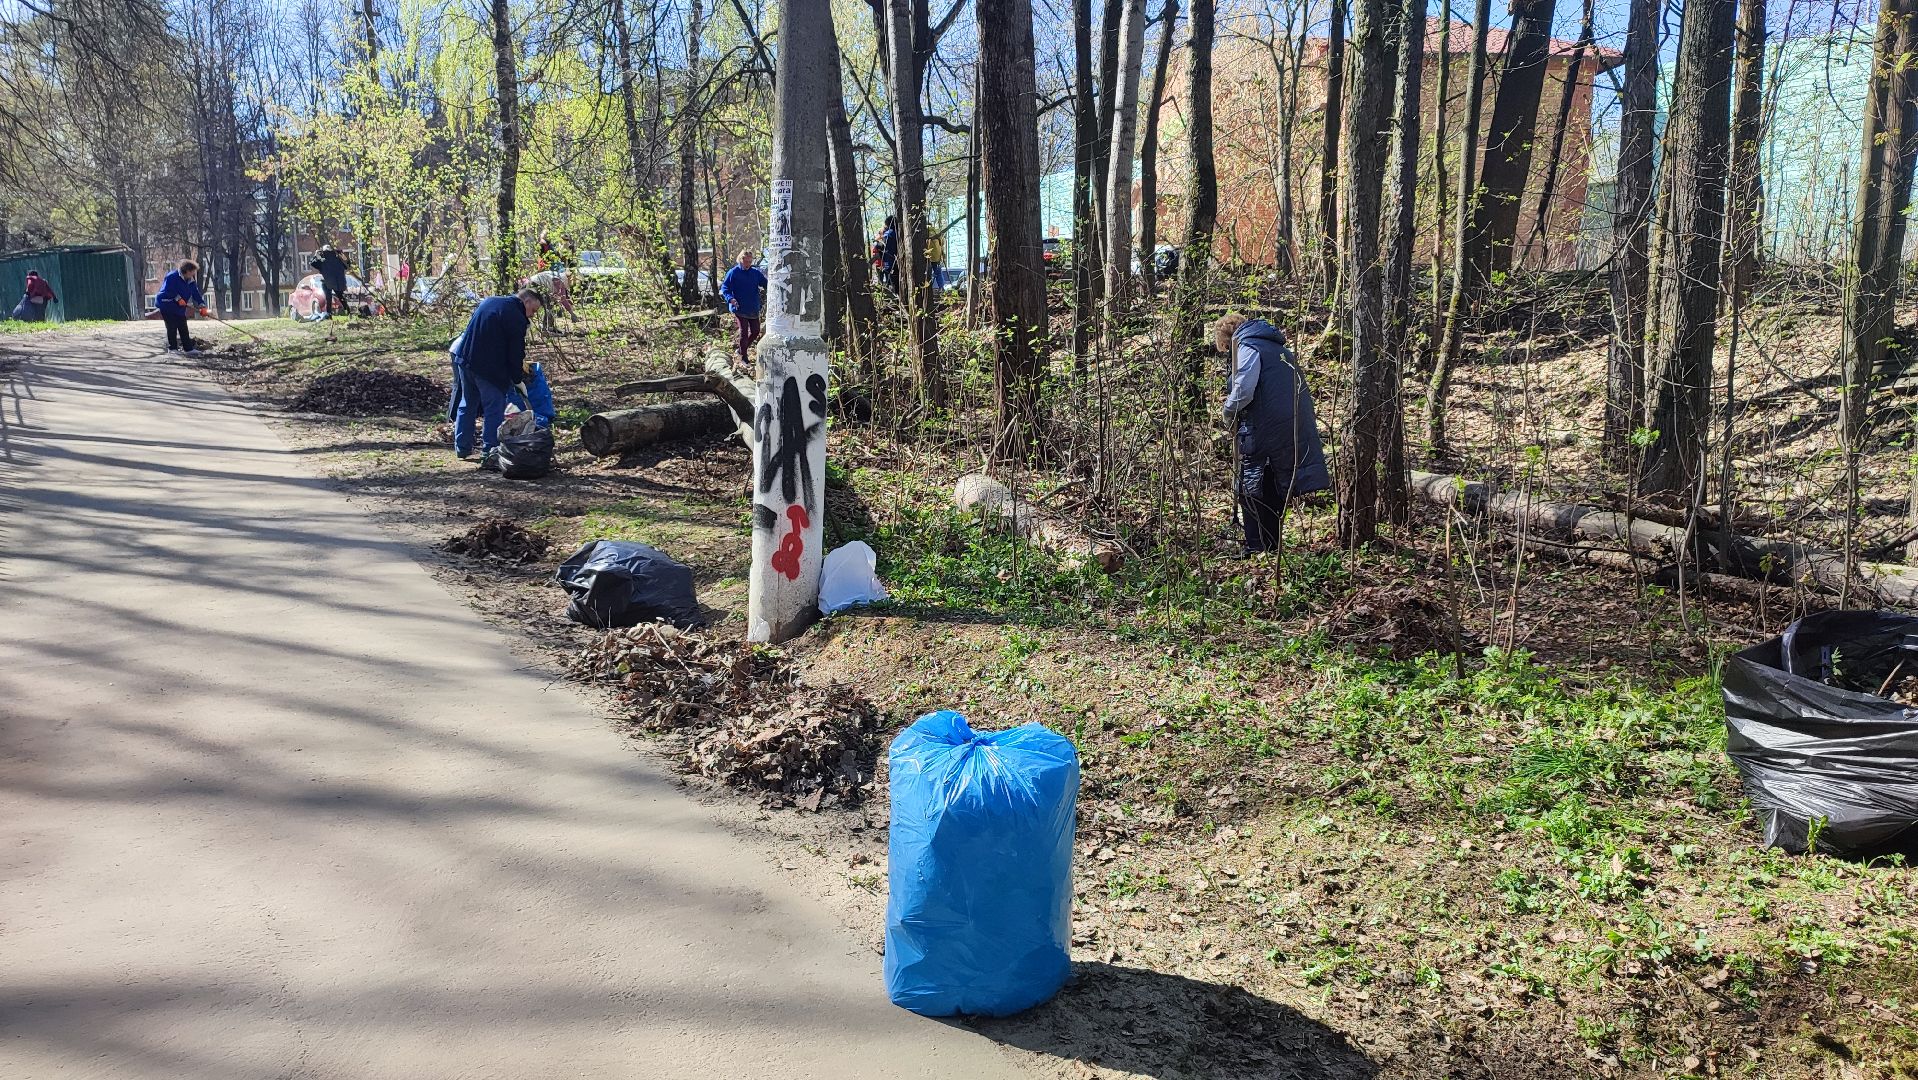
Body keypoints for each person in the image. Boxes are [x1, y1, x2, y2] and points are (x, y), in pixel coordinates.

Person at [1215, 312, 1329, 554]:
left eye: (1225, 348)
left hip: (1265, 428)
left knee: (1250, 486)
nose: (1227, 353)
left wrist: (1228, 412)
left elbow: (1244, 389)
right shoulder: (1279, 350)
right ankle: (1271, 547)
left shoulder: (1248, 347)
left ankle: (1257, 548)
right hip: (1292, 426)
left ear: (1228, 339)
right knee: (1272, 484)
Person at [449, 288, 542, 469]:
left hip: (465, 360)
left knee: (467, 403)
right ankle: (490, 452)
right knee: (494, 408)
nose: (531, 315)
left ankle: (462, 447)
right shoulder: (516, 317)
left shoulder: (490, 301)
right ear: (527, 302)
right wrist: (517, 379)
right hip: (488, 369)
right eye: (533, 311)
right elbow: (515, 353)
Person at [719, 249, 767, 368]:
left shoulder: (755, 273)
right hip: (739, 307)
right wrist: (731, 298)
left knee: (756, 331)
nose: (748, 264)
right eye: (746, 261)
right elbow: (725, 288)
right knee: (744, 333)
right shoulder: (733, 272)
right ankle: (744, 357)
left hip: (753, 307)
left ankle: (741, 349)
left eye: (750, 262)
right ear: (741, 260)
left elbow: (766, 283)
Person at [155, 261, 209, 354]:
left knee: (183, 325)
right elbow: (168, 290)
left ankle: (188, 349)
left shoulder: (190, 280)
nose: (194, 274)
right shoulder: (172, 276)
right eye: (193, 272)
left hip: (179, 306)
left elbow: (195, 293)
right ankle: (172, 349)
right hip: (166, 304)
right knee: (172, 326)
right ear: (187, 271)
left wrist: (202, 305)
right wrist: (178, 298)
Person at [311, 246, 351, 317]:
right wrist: (344, 257)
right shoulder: (337, 258)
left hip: (328, 281)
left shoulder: (323, 259)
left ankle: (329, 313)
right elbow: (347, 265)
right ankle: (348, 312)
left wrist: (316, 255)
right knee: (341, 297)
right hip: (337, 282)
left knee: (328, 298)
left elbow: (313, 263)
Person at [878, 216, 899, 293]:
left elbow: (880, 246)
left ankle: (894, 299)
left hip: (889, 262)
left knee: (891, 282)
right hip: (898, 262)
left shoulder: (887, 235)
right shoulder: (899, 233)